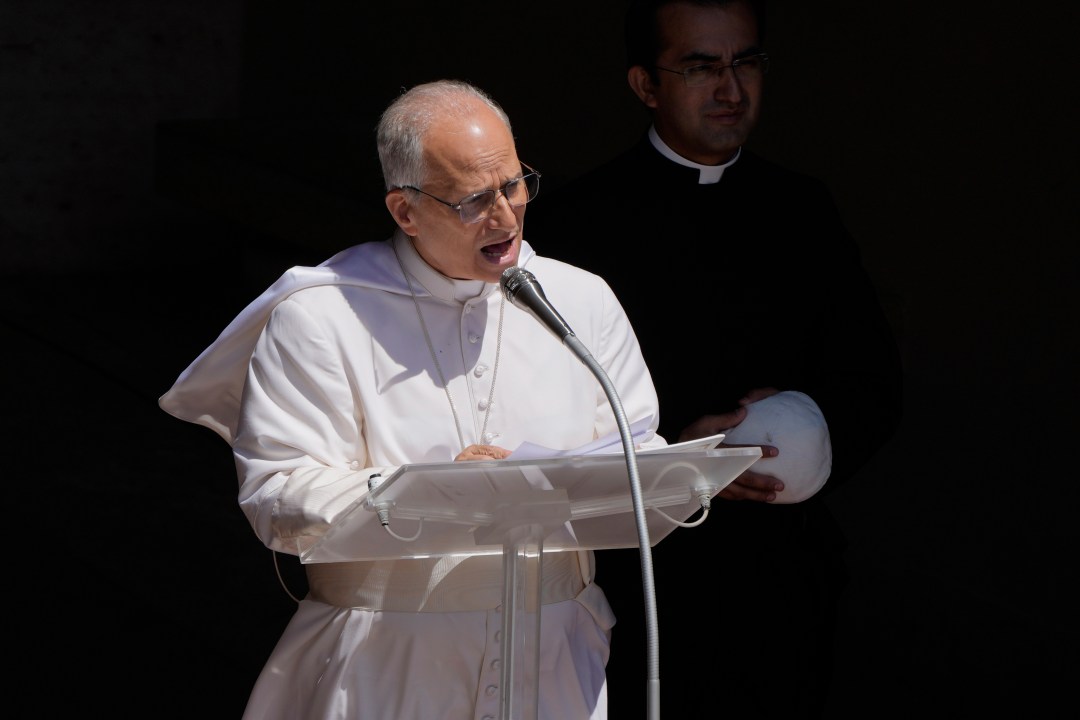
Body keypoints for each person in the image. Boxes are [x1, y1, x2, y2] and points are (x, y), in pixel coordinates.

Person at [158, 79, 670, 720]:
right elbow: (278, 496)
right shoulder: (323, 315)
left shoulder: (581, 302)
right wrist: (435, 492)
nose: (506, 218)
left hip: (552, 662)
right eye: (475, 200)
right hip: (383, 663)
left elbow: (639, 456)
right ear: (405, 210)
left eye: (514, 186)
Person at [526, 1, 904, 717]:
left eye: (747, 62)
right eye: (701, 67)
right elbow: (539, 417)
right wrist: (678, 454)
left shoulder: (802, 209)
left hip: (781, 581)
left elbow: (874, 383)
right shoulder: (576, 224)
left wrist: (806, 428)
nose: (731, 89)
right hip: (641, 586)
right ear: (646, 84)